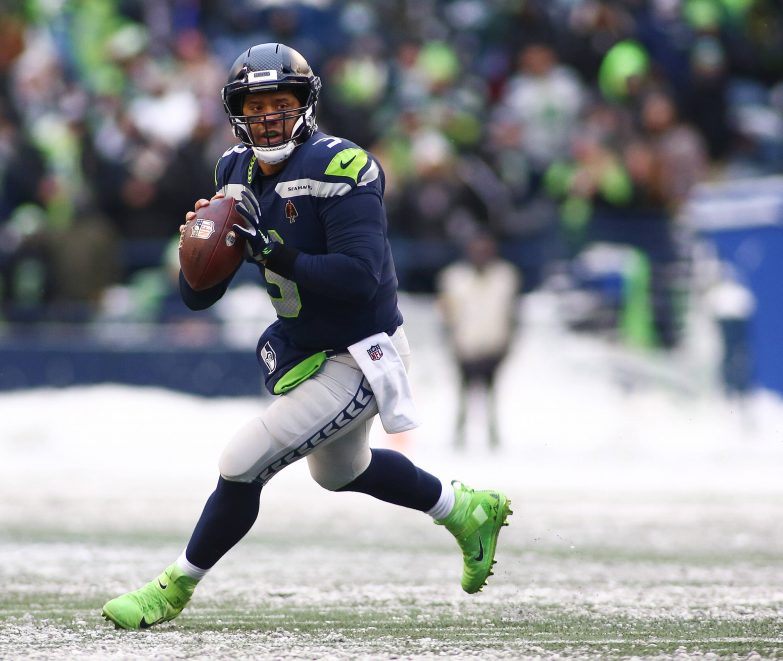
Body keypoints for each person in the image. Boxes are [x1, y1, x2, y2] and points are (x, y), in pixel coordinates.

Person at [102, 43, 512, 630]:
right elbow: (198, 295)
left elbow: (357, 275)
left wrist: (272, 250)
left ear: (306, 106)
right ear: (237, 112)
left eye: (281, 103)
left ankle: (173, 588)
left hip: (360, 352)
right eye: (256, 105)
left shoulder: (340, 167)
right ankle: (464, 509)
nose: (268, 117)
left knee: (242, 461)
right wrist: (201, 249)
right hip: (308, 345)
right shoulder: (233, 171)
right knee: (340, 472)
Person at [436, 234, 520, 450]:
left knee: (492, 395)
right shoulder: (454, 278)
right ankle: (459, 436)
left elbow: (513, 315)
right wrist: (452, 344)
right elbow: (446, 316)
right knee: (463, 394)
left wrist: (507, 344)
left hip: (494, 346)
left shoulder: (505, 276)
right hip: (465, 347)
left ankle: (493, 437)